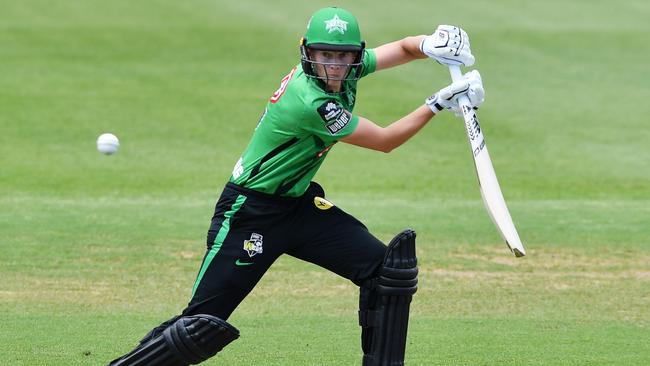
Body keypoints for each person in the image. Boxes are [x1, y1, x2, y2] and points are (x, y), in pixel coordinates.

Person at [109, 6, 484, 366]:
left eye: (344, 56)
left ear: (355, 54)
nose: (335, 65)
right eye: (325, 55)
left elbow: (401, 49)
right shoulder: (312, 102)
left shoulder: (347, 68)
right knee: (201, 325)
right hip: (250, 212)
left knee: (387, 272)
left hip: (298, 206)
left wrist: (430, 43)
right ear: (307, 51)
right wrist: (436, 104)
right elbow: (385, 141)